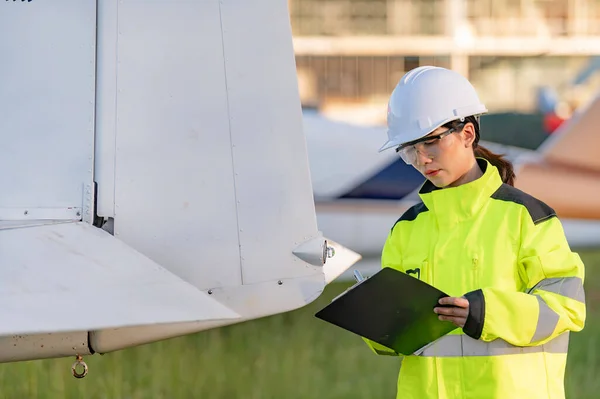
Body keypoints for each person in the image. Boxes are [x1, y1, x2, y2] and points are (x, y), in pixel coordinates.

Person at [363, 66, 587, 399]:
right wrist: (372, 319)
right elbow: (393, 338)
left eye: (430, 142)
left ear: (467, 133)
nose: (422, 159)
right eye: (410, 150)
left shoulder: (526, 218)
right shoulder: (406, 230)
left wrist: (487, 312)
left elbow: (566, 308)